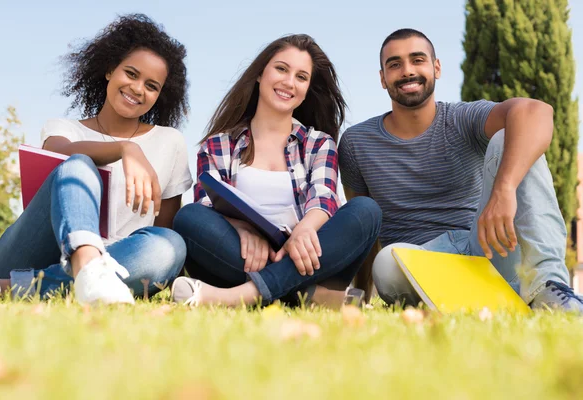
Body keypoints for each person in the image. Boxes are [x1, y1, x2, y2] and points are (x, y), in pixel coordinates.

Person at [339, 28, 583, 312]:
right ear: (383, 77)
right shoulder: (357, 142)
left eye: (418, 60)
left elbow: (536, 112)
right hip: (418, 263)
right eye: (395, 64)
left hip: (486, 250)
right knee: (387, 261)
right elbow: (365, 228)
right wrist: (360, 295)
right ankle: (490, 301)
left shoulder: (461, 119)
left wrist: (504, 189)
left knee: (512, 136)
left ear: (436, 68)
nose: (407, 71)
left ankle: (549, 290)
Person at [0, 14, 193, 305]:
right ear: (109, 70)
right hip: (32, 252)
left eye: (151, 85)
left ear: (160, 95)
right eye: (131, 74)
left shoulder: (170, 142)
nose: (137, 88)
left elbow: (162, 226)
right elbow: (62, 153)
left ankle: (10, 288)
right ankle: (87, 266)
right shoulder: (63, 128)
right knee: (79, 164)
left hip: (122, 259)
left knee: (170, 245)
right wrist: (126, 149)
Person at [172, 34, 381, 308]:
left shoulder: (318, 143)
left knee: (366, 210)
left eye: (301, 77)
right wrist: (242, 229)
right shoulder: (217, 145)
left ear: (307, 89)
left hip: (309, 257)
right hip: (240, 255)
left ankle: (240, 297)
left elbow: (325, 198)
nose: (289, 82)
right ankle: (308, 296)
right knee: (189, 217)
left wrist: (304, 231)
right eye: (281, 69)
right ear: (260, 74)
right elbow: (207, 204)